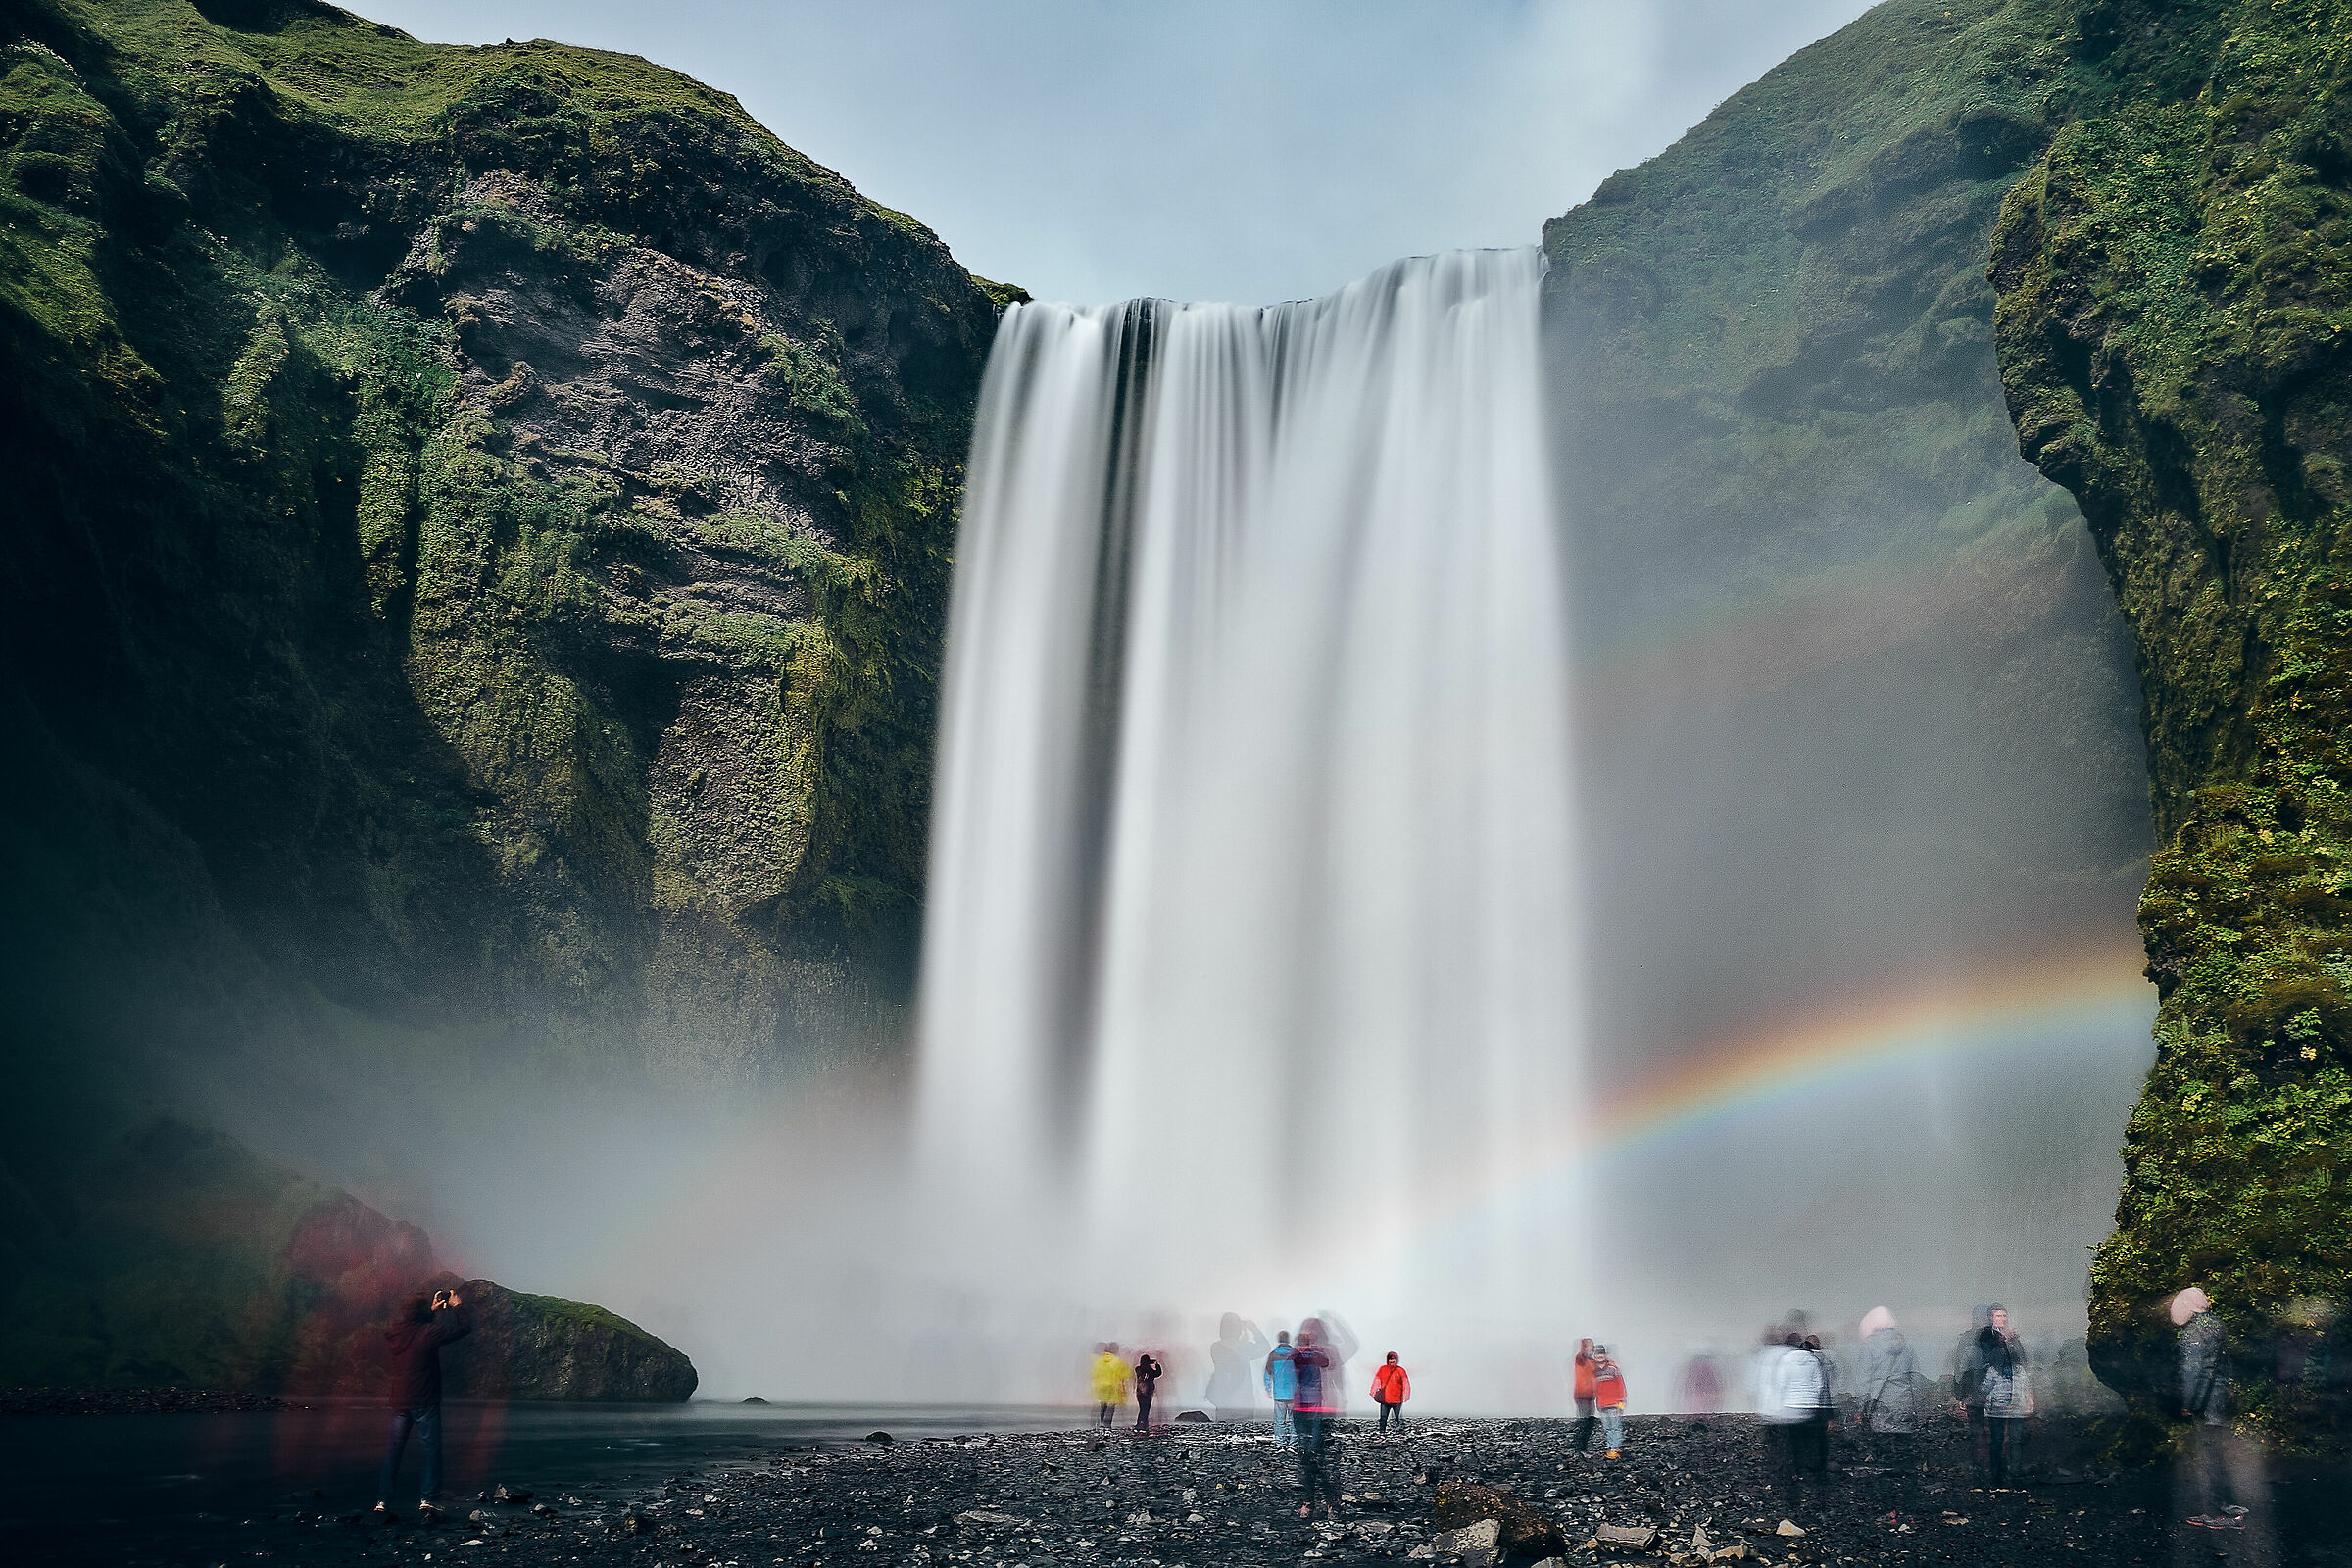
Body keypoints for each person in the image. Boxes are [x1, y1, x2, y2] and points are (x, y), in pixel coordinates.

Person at [374, 1285, 471, 1515]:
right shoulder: (429, 1333)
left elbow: (413, 1325)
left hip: (399, 1402)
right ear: (422, 1314)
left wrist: (431, 1311)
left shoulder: (395, 1332)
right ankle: (428, 1499)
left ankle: (382, 1501)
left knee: (394, 1452)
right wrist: (458, 1307)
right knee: (431, 1451)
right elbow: (464, 1328)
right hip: (425, 1401)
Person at [2175, 1287, 2248, 1530]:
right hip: (2219, 1400)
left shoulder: (2195, 1330)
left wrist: (2189, 1405)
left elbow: (2194, 1372)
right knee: (2216, 1456)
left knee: (2211, 1458)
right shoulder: (2216, 1323)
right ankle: (2229, 1509)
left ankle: (2224, 1514)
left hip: (2207, 1404)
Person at [1856, 1307, 1921, 1517]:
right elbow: (1916, 1378)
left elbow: (1864, 1379)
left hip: (1881, 1408)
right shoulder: (1907, 1346)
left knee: (1883, 1459)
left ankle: (1888, 1507)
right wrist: (1917, 1406)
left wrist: (1861, 1408)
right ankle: (1909, 1506)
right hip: (1904, 1406)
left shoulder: (1869, 1346)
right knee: (1906, 1457)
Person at [1755, 1332, 1819, 1515]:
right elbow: (1819, 1384)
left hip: (1783, 1409)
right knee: (1801, 1443)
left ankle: (1783, 1476)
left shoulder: (1776, 1358)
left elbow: (1780, 1383)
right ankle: (1799, 1472)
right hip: (1805, 1410)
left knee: (1781, 1445)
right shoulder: (1812, 1360)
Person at [1291, 1318, 1342, 1519]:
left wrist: (1311, 1352)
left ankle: (1330, 1503)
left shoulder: (1321, 1352)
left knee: (1320, 1458)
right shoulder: (1297, 1354)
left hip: (1318, 1409)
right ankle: (1311, 1502)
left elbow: (1326, 1363)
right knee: (1306, 1457)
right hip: (1301, 1408)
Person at [1976, 1307, 2031, 1485]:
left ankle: (2014, 1472)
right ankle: (1997, 1473)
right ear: (1991, 1318)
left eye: (2005, 1316)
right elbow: (1988, 1364)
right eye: (1999, 1316)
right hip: (1999, 1398)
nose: (2003, 1319)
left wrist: (2028, 1395)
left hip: (2015, 1397)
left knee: (2015, 1439)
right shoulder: (1987, 1336)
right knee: (1998, 1439)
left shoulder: (2014, 1341)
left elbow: (2023, 1363)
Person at [1207, 1313, 1270, 1420]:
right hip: (1244, 1402)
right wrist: (1254, 1329)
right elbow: (1265, 1347)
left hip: (1224, 1402)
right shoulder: (1243, 1346)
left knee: (1223, 1434)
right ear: (1237, 1328)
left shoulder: (1216, 1347)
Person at [1264, 1329, 1298, 1448]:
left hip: (1279, 1393)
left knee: (1280, 1421)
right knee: (1294, 1422)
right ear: (1288, 1340)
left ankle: (1280, 1444)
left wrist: (1268, 1389)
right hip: (1294, 1393)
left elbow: (1268, 1374)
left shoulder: (1273, 1355)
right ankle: (1293, 1445)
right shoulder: (1295, 1354)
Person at [1592, 1344, 1628, 1457]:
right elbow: (1594, 1388)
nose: (1600, 1356)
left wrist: (1622, 1399)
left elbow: (1621, 1384)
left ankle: (1615, 1449)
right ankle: (1610, 1447)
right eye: (1598, 1354)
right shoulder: (1594, 1371)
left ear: (1605, 1355)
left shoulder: (1613, 1368)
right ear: (1595, 1356)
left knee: (1615, 1426)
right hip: (1602, 1404)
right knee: (1607, 1428)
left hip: (1615, 1403)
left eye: (1602, 1354)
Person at [1571, 1337, 1599, 1453]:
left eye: (1592, 1346)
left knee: (1590, 1422)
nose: (1591, 1348)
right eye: (1589, 1346)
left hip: (1591, 1396)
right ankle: (1579, 1447)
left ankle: (1582, 1445)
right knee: (1584, 1421)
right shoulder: (1580, 1359)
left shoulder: (1592, 1362)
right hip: (1581, 1395)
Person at [1370, 1351, 1410, 1434]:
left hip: (1397, 1399)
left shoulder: (1401, 1370)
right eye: (1390, 1360)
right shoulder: (1382, 1369)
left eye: (1393, 1360)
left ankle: (1399, 1433)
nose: (1392, 1362)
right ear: (1387, 1360)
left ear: (1396, 1360)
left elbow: (1406, 1383)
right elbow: (1377, 1381)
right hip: (1385, 1399)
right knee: (1383, 1418)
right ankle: (1382, 1432)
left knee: (1397, 1418)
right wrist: (1373, 1391)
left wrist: (1407, 1394)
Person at [1091, 1343, 1129, 1429]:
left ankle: (1101, 1423)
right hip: (1112, 1386)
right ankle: (1107, 1424)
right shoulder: (1117, 1361)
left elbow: (1094, 1373)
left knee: (1103, 1404)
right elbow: (1126, 1373)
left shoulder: (1099, 1360)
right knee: (1111, 1406)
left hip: (1100, 1386)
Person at [1133, 1349, 1164, 1431]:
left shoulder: (1138, 1369)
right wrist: (1156, 1364)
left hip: (1139, 1392)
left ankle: (1139, 1423)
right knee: (1146, 1408)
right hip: (1148, 1391)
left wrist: (1148, 1363)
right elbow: (1158, 1373)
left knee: (1142, 1408)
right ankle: (1144, 1424)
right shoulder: (1150, 1371)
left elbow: (1142, 1370)